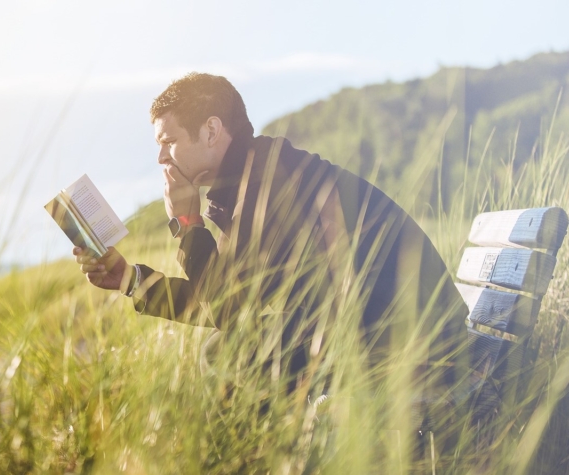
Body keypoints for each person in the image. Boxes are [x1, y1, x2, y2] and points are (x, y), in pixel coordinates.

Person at [72, 72, 470, 443]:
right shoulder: (251, 179)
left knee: (228, 353)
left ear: (211, 130)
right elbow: (228, 305)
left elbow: (228, 311)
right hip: (382, 338)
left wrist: (190, 224)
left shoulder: (272, 184)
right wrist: (128, 278)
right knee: (229, 349)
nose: (161, 157)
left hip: (420, 354)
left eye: (168, 141)